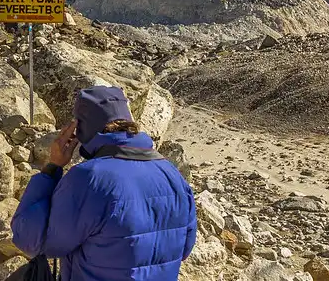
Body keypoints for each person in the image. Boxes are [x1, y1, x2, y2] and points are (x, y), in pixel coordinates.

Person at [11, 86, 197, 281]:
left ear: (79, 129)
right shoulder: (173, 175)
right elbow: (185, 248)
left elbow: (30, 238)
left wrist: (52, 168)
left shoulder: (89, 177)